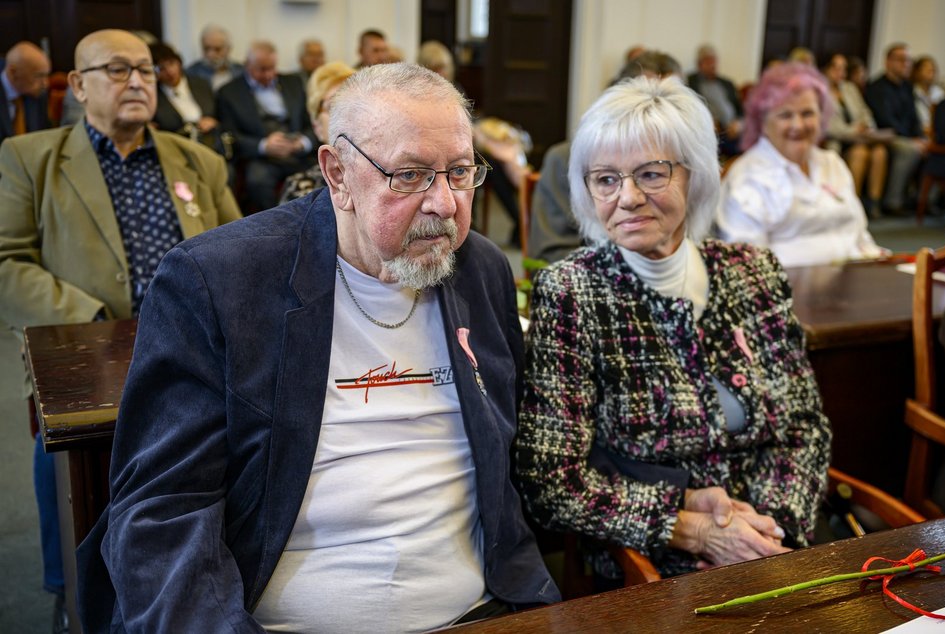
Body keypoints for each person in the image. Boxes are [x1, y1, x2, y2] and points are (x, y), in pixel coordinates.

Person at [76, 61, 559, 633]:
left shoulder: (479, 269)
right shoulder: (220, 280)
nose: (445, 204)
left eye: (459, 172)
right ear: (337, 175)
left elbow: (506, 465)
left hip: (483, 612)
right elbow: (164, 512)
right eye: (408, 176)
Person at [515, 76, 832, 582]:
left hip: (773, 548)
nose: (628, 197)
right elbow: (551, 482)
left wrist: (772, 533)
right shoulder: (573, 292)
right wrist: (690, 531)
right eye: (606, 179)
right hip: (651, 564)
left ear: (695, 175)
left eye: (651, 173)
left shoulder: (752, 272)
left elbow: (802, 430)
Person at [0, 28, 240, 633]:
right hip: (88, 361)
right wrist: (96, 322)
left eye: (147, 70)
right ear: (78, 86)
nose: (137, 81)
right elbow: (7, 260)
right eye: (116, 69)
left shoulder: (199, 161)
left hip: (199, 354)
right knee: (68, 455)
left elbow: (243, 254)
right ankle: (70, 592)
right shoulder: (31, 159)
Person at [717, 63, 885, 267]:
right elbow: (748, 268)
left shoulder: (832, 164)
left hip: (858, 281)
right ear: (763, 124)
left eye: (807, 114)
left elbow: (860, 237)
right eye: (785, 115)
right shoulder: (747, 178)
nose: (798, 125)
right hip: (793, 293)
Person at [529, 50, 681, 264]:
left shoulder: (686, 167)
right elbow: (550, 255)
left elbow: (701, 240)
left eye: (675, 104)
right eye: (647, 102)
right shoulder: (565, 160)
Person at [217, 40, 316, 211]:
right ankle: (276, 227)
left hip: (298, 153)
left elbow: (314, 121)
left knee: (323, 172)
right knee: (257, 181)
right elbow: (229, 136)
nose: (269, 75)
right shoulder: (229, 93)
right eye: (262, 69)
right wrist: (263, 146)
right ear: (247, 65)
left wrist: (303, 142)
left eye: (272, 68)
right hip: (262, 158)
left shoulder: (294, 83)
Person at [277, 61, 355, 204]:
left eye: (354, 104)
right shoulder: (301, 190)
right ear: (317, 127)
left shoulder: (388, 176)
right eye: (333, 106)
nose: (346, 114)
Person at [821, 53, 888, 216]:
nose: (841, 72)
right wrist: (855, 131)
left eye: (843, 68)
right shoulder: (819, 90)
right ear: (826, 69)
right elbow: (828, 126)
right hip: (836, 139)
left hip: (860, 137)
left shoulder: (849, 88)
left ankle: (874, 203)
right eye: (836, 68)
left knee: (880, 152)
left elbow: (865, 112)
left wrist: (867, 126)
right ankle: (853, 203)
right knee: (860, 153)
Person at [865, 43, 929, 214]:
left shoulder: (907, 87)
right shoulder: (877, 87)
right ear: (888, 62)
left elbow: (913, 116)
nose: (906, 64)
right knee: (910, 149)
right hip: (886, 136)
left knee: (929, 147)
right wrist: (911, 139)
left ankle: (924, 201)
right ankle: (892, 202)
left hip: (906, 135)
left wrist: (921, 136)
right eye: (901, 60)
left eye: (908, 60)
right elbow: (885, 120)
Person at [149, 42, 219, 140]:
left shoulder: (201, 84)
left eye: (171, 63)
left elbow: (221, 115)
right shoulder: (153, 96)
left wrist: (214, 122)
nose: (169, 72)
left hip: (209, 142)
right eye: (161, 68)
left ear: (179, 62)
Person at [687, 44, 743, 157]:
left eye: (714, 61)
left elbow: (740, 109)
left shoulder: (727, 83)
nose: (712, 65)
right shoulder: (691, 82)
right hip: (712, 129)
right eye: (708, 61)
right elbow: (691, 107)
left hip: (733, 128)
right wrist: (707, 121)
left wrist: (738, 124)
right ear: (699, 64)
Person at [0, 41, 51, 144]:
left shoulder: (39, 95)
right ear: (13, 72)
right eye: (38, 76)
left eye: (46, 75)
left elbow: (45, 136)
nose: (45, 84)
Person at [186, 24, 244, 92]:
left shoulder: (241, 71)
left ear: (228, 49)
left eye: (217, 49)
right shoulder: (192, 73)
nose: (211, 54)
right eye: (206, 49)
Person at [912, 55, 945, 136]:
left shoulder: (940, 94)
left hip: (938, 134)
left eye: (933, 69)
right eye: (927, 68)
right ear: (917, 72)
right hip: (917, 133)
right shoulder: (911, 92)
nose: (931, 71)